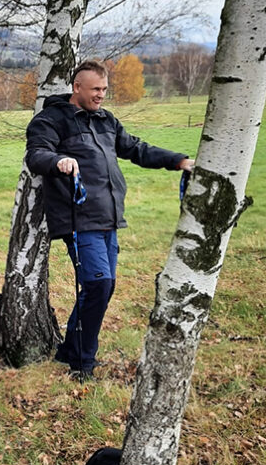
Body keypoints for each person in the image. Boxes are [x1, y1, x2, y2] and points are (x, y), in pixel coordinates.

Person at [25, 60, 194, 381]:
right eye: (95, 90)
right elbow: (36, 154)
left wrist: (177, 161)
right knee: (98, 284)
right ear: (77, 88)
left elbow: (135, 149)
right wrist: (59, 160)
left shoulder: (105, 120)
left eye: (104, 89)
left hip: (109, 217)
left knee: (103, 286)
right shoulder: (51, 119)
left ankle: (69, 350)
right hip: (77, 218)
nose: (101, 95)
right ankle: (83, 364)